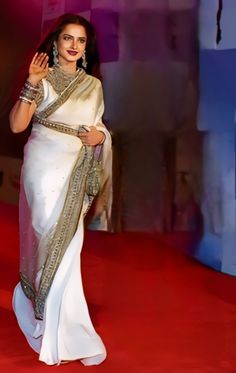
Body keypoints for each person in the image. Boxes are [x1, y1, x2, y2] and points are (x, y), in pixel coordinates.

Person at [9, 13, 112, 366]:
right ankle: (41, 314)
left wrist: (99, 137)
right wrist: (30, 83)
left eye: (80, 41)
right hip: (42, 167)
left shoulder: (94, 86)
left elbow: (99, 130)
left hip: (75, 169)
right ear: (55, 42)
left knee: (70, 249)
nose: (73, 46)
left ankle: (67, 331)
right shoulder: (43, 77)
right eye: (67, 38)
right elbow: (17, 125)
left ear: (85, 48)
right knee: (47, 239)